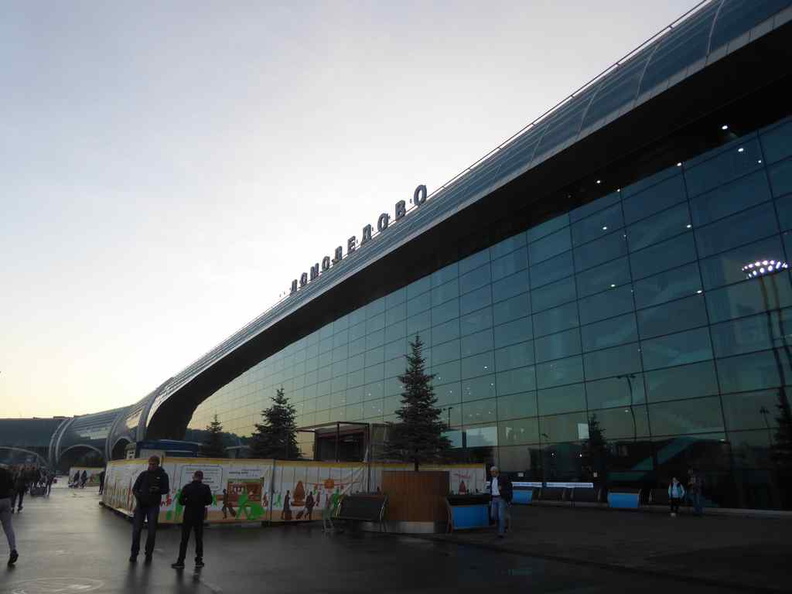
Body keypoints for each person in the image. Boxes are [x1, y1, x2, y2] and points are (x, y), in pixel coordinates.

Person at [129, 456, 170, 563]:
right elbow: (134, 489)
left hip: (153, 506)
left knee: (152, 532)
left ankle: (148, 553)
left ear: (157, 464)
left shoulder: (163, 475)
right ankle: (134, 553)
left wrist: (158, 490)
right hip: (141, 506)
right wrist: (139, 496)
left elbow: (166, 489)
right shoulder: (143, 474)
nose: (151, 466)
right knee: (136, 530)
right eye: (150, 464)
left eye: (153, 464)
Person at [172, 470, 213, 569]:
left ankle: (180, 561)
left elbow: (181, 501)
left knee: (184, 539)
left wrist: (188, 502)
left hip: (188, 515)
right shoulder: (205, 488)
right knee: (199, 539)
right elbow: (209, 501)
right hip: (199, 516)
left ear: (193, 476)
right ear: (202, 478)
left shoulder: (187, 487)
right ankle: (199, 560)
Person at [486, 466, 513, 538]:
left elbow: (509, 487)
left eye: (492, 472)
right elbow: (492, 489)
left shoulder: (502, 478)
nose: (491, 473)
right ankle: (502, 526)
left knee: (501, 516)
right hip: (494, 498)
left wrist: (508, 498)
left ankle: (501, 532)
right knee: (493, 515)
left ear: (496, 472)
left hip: (501, 498)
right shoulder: (492, 479)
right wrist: (490, 499)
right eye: (491, 472)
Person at [0, 464, 19, 566]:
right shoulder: (7, 473)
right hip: (6, 501)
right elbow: (13, 487)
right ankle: (13, 550)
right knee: (8, 528)